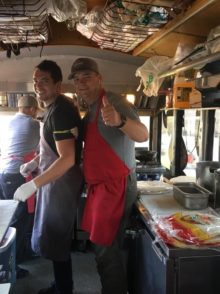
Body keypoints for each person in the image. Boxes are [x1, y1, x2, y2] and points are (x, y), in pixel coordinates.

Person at [68, 57, 148, 294]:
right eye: (77, 79)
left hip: (116, 187)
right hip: (100, 188)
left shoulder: (114, 101)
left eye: (87, 77)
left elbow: (143, 134)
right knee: (102, 248)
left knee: (106, 250)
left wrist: (120, 121)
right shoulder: (90, 109)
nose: (81, 83)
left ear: (99, 78)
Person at [14, 60, 84, 294]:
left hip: (61, 183)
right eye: (35, 81)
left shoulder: (61, 112)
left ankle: (64, 289)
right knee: (55, 237)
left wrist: (34, 184)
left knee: (57, 236)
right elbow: (51, 148)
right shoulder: (53, 108)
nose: (38, 86)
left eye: (44, 80)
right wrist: (34, 163)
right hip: (52, 180)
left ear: (58, 84)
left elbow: (67, 158)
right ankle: (62, 284)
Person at [0, 95, 40, 278]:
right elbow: (45, 147)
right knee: (18, 220)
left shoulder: (10, 121)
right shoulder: (32, 124)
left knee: (19, 219)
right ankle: (12, 265)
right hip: (17, 175)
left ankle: (22, 253)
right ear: (32, 109)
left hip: (6, 174)